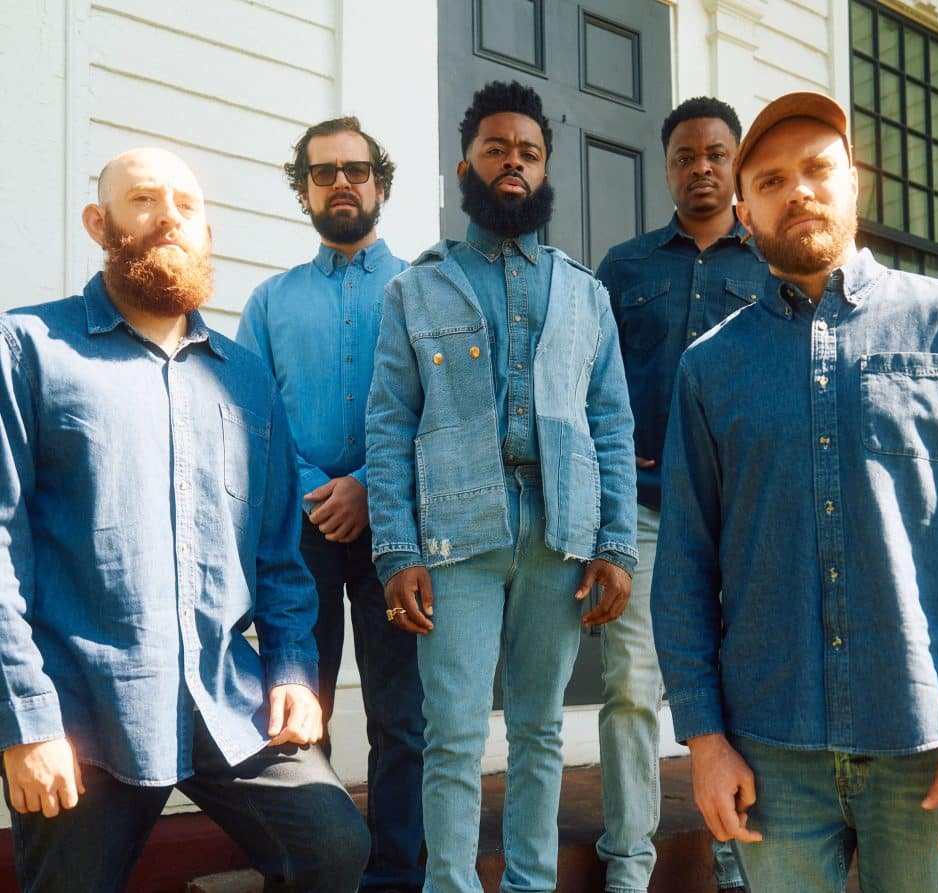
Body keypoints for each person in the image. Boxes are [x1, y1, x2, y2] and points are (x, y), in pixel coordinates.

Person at [651, 91, 938, 892]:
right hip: (769, 755)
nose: (801, 191)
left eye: (819, 169)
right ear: (746, 210)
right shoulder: (709, 369)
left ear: (855, 183)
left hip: (930, 739)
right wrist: (705, 739)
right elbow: (683, 562)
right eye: (774, 179)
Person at [0, 147, 370, 893]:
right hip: (84, 708)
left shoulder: (246, 378)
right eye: (143, 199)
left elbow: (277, 553)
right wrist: (27, 721)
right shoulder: (27, 348)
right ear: (98, 223)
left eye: (187, 204)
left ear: (208, 233)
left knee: (333, 849)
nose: (169, 214)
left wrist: (293, 665)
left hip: (223, 697)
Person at [365, 81, 638, 893]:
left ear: (544, 168)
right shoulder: (417, 289)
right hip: (456, 536)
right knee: (451, 733)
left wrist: (615, 543)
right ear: (466, 167)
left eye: (529, 152)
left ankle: (528, 884)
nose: (513, 162)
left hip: (561, 535)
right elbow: (387, 427)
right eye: (497, 149)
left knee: (540, 729)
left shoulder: (586, 293)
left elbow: (612, 423)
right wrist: (396, 550)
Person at [237, 116, 424, 893]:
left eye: (356, 169)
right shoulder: (270, 301)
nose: (341, 182)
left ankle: (391, 876)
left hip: (399, 533)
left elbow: (443, 414)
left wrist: (373, 491)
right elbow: (249, 409)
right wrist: (324, 488)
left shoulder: (424, 289)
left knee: (399, 714)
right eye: (323, 173)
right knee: (295, 708)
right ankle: (308, 866)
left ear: (379, 182)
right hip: (300, 531)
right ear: (304, 189)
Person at [595, 96, 769, 893]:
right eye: (685, 155)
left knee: (741, 687)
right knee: (630, 686)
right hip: (644, 507)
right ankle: (628, 864)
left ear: (735, 163)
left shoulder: (768, 263)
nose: (701, 167)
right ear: (666, 167)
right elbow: (592, 391)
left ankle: (739, 859)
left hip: (743, 513)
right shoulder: (623, 270)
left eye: (716, 153)